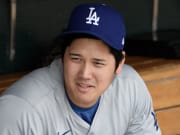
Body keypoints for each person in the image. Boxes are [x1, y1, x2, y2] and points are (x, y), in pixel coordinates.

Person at [0, 3, 161, 135]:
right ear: (63, 56)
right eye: (76, 59)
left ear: (119, 64)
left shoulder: (129, 88)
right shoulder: (21, 109)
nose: (85, 74)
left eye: (98, 63)